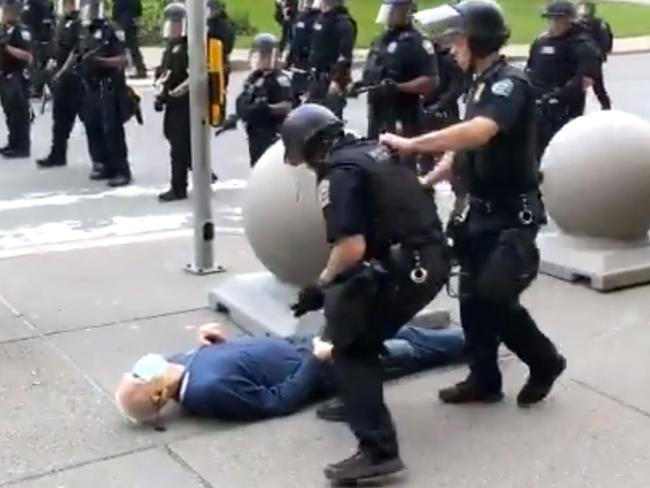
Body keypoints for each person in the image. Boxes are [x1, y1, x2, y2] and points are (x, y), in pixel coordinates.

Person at [381, 0, 566, 410]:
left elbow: (479, 133)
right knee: (470, 298)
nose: (451, 46)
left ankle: (545, 361)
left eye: (458, 37)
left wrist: (413, 145)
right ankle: (483, 379)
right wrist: (427, 180)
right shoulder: (479, 82)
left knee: (495, 295)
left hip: (509, 214)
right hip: (476, 210)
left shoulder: (507, 85)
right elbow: (463, 151)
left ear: (479, 39)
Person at [282, 103, 450, 482]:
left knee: (350, 346)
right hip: (425, 257)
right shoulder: (373, 151)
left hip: (410, 266)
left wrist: (320, 284)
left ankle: (378, 452)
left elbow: (351, 247)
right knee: (360, 325)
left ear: (310, 147)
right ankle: (359, 399)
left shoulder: (338, 175)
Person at [114, 321, 465, 424]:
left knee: (401, 331)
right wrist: (317, 359)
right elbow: (276, 402)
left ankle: (479, 334)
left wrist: (218, 344)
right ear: (159, 393)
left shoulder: (182, 367)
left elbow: (239, 362)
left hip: (304, 345)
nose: (148, 363)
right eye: (142, 374)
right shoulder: (208, 390)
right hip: (323, 363)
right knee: (411, 348)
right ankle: (481, 342)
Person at [526, 0, 600, 161]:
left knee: (564, 151)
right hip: (539, 106)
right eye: (552, 19)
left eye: (560, 19)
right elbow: (530, 69)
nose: (556, 24)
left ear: (570, 20)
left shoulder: (582, 45)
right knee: (536, 148)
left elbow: (584, 78)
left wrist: (557, 96)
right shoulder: (541, 41)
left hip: (565, 107)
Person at [358, 0, 436, 144]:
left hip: (403, 115)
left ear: (406, 12)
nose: (388, 15)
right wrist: (360, 84)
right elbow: (373, 70)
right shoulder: (380, 40)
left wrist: (399, 87)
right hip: (377, 114)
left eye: (392, 10)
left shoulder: (416, 42)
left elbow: (430, 80)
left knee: (399, 160)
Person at [79, 0, 132, 186]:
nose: (89, 12)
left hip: (109, 85)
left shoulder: (112, 30)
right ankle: (102, 164)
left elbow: (123, 59)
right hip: (90, 86)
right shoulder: (85, 31)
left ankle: (121, 170)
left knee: (112, 128)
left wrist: (101, 61)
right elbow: (77, 53)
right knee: (92, 125)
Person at [36, 0, 83, 168]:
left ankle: (104, 161)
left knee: (91, 121)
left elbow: (76, 50)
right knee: (60, 119)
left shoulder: (80, 22)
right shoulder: (63, 21)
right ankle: (57, 154)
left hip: (76, 77)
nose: (65, 5)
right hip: (61, 77)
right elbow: (57, 46)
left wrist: (62, 71)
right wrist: (51, 62)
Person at [153, 3, 192, 202]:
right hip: (172, 103)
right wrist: (160, 93)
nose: (173, 29)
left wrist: (172, 95)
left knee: (178, 146)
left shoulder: (188, 49)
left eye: (177, 25)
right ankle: (200, 168)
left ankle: (178, 188)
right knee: (172, 136)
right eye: (171, 24)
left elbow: (191, 79)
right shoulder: (170, 48)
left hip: (185, 104)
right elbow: (165, 73)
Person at [236, 33, 293, 167]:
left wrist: (267, 108)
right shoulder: (254, 78)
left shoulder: (279, 79)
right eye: (259, 54)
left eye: (266, 55)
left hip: (271, 132)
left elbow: (287, 105)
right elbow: (245, 97)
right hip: (254, 132)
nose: (262, 58)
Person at [307, 0, 356, 118]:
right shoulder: (321, 18)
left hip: (331, 79)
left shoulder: (343, 23)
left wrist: (336, 80)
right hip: (316, 77)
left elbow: (345, 55)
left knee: (330, 119)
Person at [0, 0, 33, 159]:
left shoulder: (22, 31)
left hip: (18, 76)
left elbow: (27, 56)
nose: (3, 14)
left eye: (6, 10)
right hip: (5, 76)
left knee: (19, 113)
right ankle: (13, 143)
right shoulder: (4, 30)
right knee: (10, 113)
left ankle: (22, 147)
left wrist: (7, 48)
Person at [577, 0, 612, 110]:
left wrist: (600, 55)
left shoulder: (598, 24)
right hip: (580, 62)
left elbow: (606, 41)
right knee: (578, 88)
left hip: (593, 62)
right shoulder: (578, 25)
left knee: (598, 87)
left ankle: (606, 109)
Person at [285, 0, 320, 100]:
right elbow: (294, 39)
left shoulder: (319, 18)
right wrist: (289, 58)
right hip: (298, 61)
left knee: (309, 93)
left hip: (310, 61)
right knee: (294, 93)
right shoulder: (300, 17)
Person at [20, 0, 55, 98]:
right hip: (41, 38)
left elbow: (28, 20)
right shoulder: (44, 4)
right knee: (40, 64)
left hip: (38, 39)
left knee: (38, 64)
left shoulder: (35, 4)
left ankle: (37, 87)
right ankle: (39, 86)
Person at [111, 0, 146, 78]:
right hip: (130, 23)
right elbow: (138, 9)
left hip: (122, 22)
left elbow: (116, 8)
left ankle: (119, 69)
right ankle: (140, 69)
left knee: (121, 47)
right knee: (132, 47)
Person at [206, 0, 236, 92]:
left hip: (217, 64)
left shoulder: (223, 25)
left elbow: (227, 47)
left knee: (217, 95)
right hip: (204, 63)